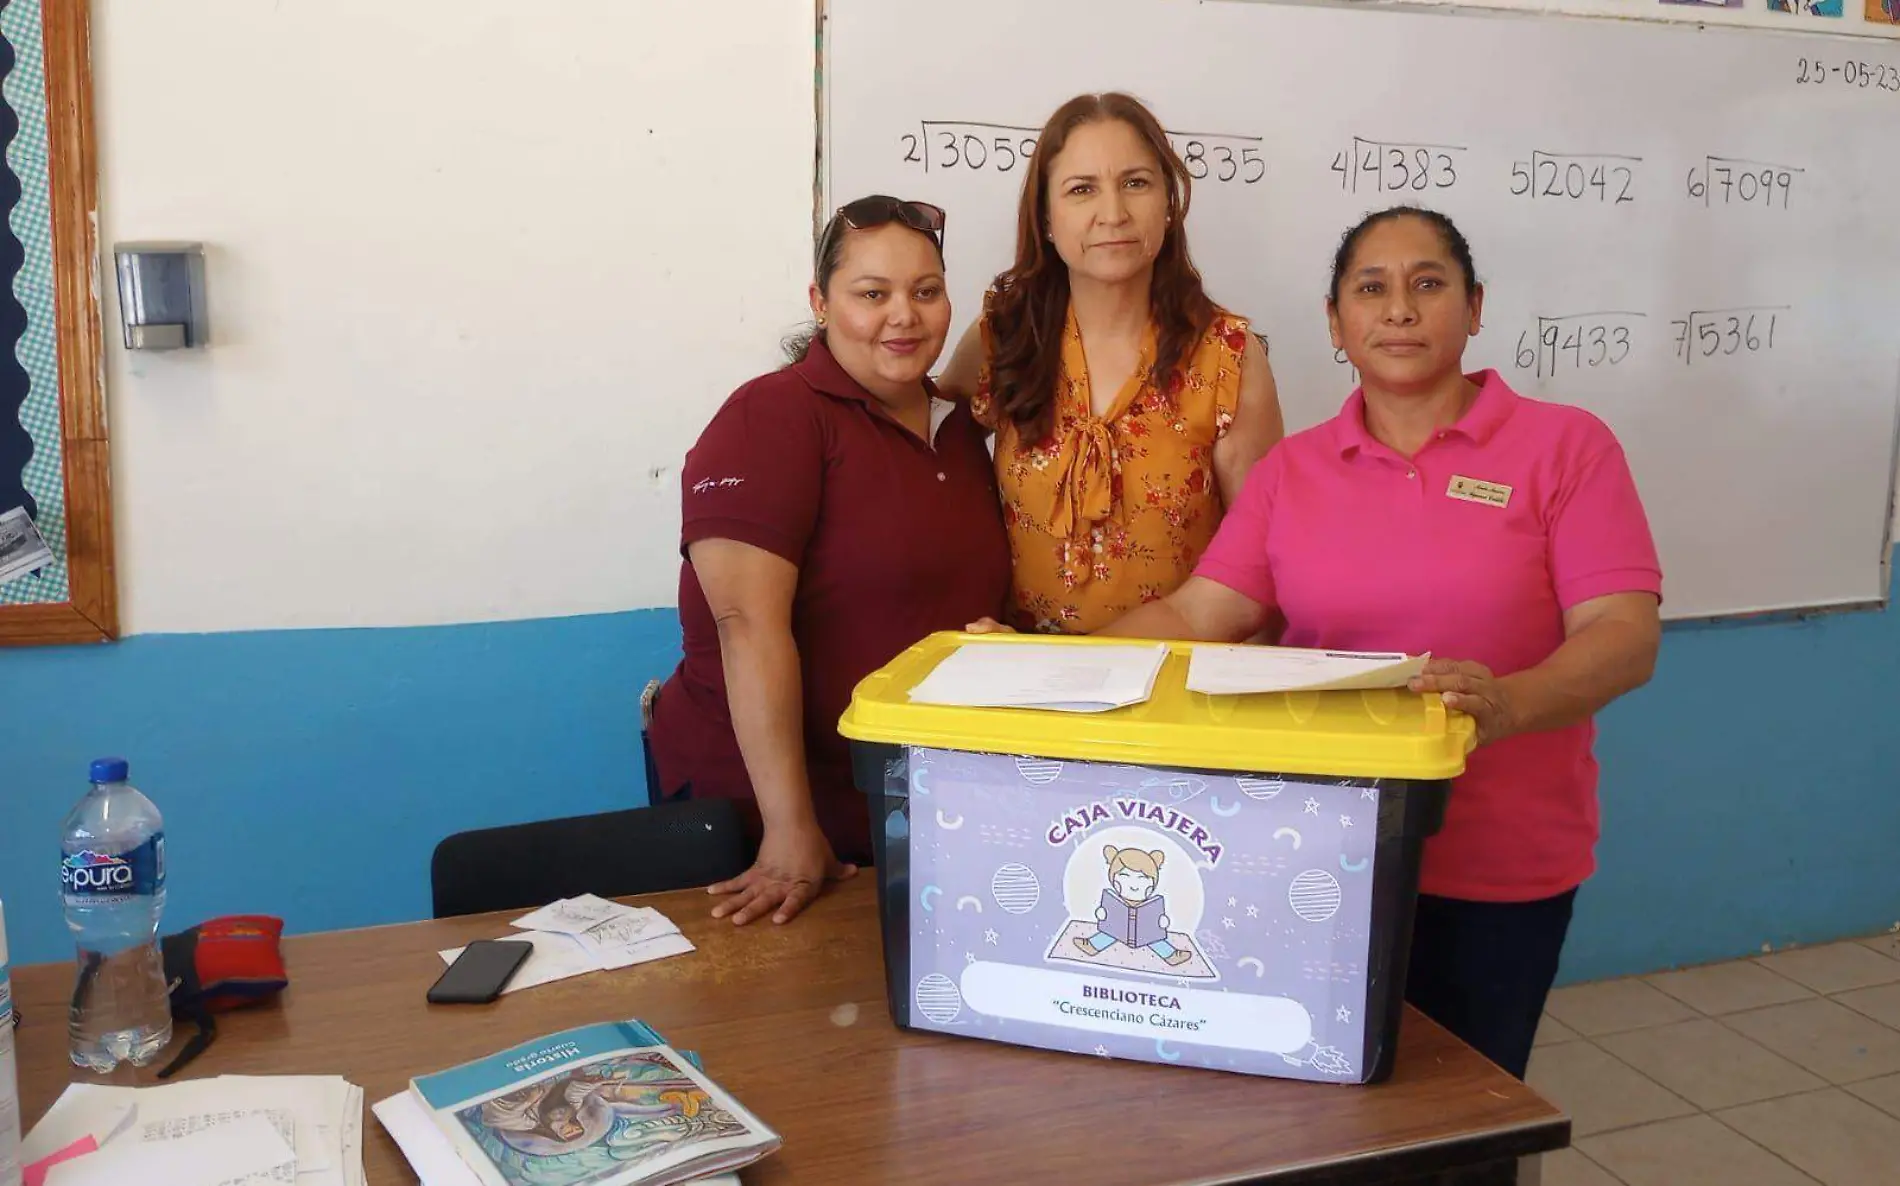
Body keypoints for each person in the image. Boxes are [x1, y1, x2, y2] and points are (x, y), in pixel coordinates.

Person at [983, 206, 1663, 1085]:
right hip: (1315, 859)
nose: (1401, 310)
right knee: (1320, 1119)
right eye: (1370, 289)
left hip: (1498, 863)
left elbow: (1623, 632)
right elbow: (1197, 618)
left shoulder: (1566, 448)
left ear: (1476, 307)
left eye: (1429, 284)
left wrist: (1508, 704)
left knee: (1463, 1119)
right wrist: (1037, 664)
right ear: (1336, 324)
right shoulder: (1293, 472)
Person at [647, 195, 1011, 926]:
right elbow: (745, 624)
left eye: (926, 291)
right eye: (871, 294)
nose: (903, 316)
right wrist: (789, 830)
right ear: (820, 302)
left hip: (910, 809)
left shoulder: (961, 431)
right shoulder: (772, 417)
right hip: (767, 830)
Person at [937, 92, 1284, 635]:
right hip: (1021, 687)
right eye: (1081, 190)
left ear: (1169, 203)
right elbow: (924, 467)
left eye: (1136, 183)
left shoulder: (1227, 357)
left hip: (1177, 687)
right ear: (1046, 219)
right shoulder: (1003, 338)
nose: (1113, 213)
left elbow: (1260, 571)